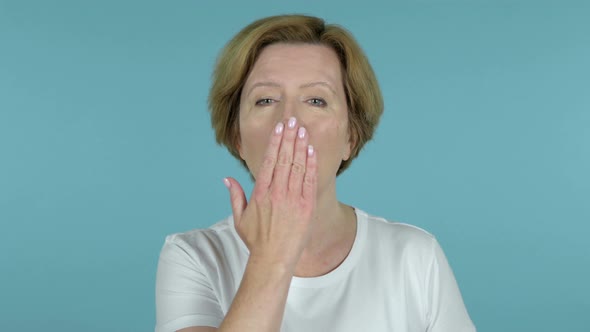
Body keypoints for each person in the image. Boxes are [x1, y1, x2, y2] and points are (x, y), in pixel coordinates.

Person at [155, 14, 476, 332]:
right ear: (237, 137)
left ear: (351, 137)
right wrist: (271, 256)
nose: (289, 121)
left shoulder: (415, 256)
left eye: (316, 100)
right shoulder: (194, 257)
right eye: (265, 100)